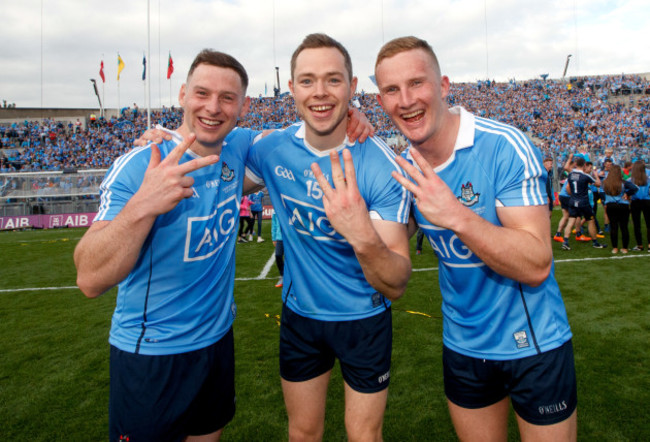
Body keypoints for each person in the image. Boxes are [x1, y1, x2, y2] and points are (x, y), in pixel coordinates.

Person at [375, 36, 577, 441]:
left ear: (445, 85)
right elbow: (389, 253)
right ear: (381, 102)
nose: (406, 99)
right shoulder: (403, 167)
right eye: (391, 90)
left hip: (534, 346)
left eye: (417, 83)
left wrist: (455, 215)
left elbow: (537, 264)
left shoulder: (503, 146)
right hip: (463, 346)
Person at [74, 49, 257, 441]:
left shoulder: (241, 148)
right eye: (202, 93)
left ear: (242, 106)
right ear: (182, 94)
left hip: (216, 342)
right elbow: (89, 277)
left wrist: (351, 115)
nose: (213, 107)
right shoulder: (142, 163)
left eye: (227, 98)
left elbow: (306, 137)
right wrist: (145, 203)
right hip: (152, 354)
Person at [245, 33, 411, 441]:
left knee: (364, 435)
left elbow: (396, 281)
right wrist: (165, 136)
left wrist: (361, 235)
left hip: (364, 320)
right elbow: (214, 157)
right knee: (302, 432)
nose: (319, 92)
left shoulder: (380, 165)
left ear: (353, 88)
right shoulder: (270, 149)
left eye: (333, 80)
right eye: (307, 80)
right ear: (292, 89)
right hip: (300, 318)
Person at [562, 156, 607, 250]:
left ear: (575, 164)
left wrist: (570, 158)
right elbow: (598, 184)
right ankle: (595, 242)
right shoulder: (586, 176)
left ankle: (565, 242)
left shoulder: (571, 174)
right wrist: (596, 175)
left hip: (573, 200)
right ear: (585, 165)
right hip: (583, 202)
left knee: (571, 221)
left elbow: (566, 168)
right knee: (591, 221)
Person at [603, 164, 638, 253]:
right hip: (623, 206)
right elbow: (635, 188)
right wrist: (627, 194)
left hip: (611, 206)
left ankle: (615, 248)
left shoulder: (605, 182)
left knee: (613, 227)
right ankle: (625, 248)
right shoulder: (624, 182)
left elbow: (602, 193)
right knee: (624, 227)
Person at [629, 160, 650, 251]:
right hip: (647, 201)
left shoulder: (631, 179)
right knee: (649, 224)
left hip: (635, 202)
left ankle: (640, 245)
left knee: (637, 224)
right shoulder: (648, 176)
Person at [271, 210, 284, 287]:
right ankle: (282, 275)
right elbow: (274, 224)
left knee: (291, 258)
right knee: (278, 255)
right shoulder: (275, 209)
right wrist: (274, 238)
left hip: (291, 237)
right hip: (280, 237)